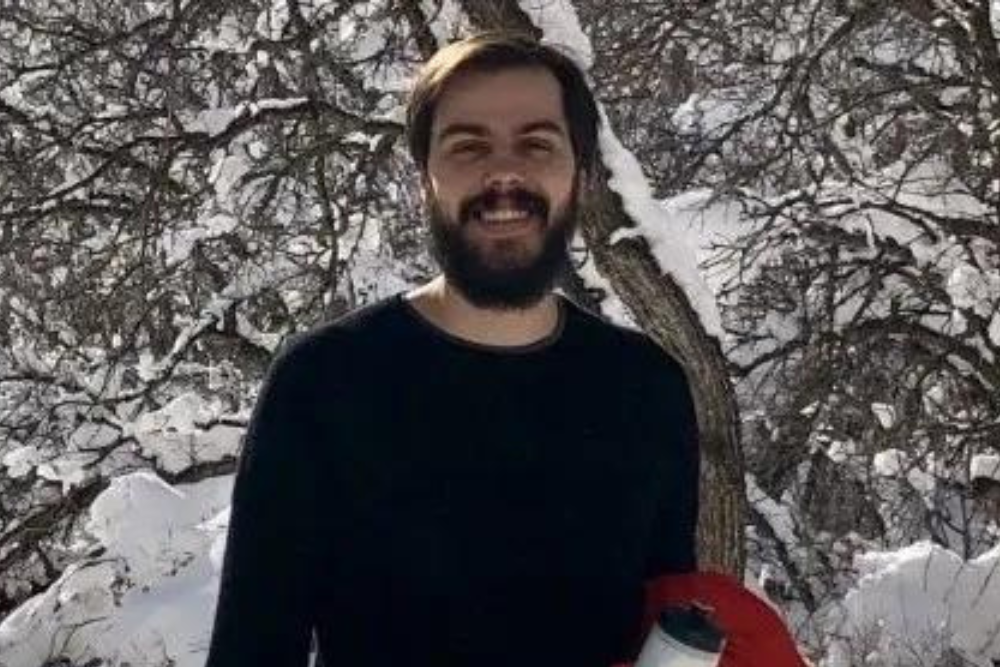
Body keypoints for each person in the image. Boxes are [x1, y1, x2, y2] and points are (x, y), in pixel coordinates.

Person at [203, 30, 700, 667]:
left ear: (579, 173)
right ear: (425, 178)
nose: (504, 173)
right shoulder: (324, 385)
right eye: (468, 146)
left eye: (537, 144)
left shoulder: (646, 389)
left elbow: (673, 636)